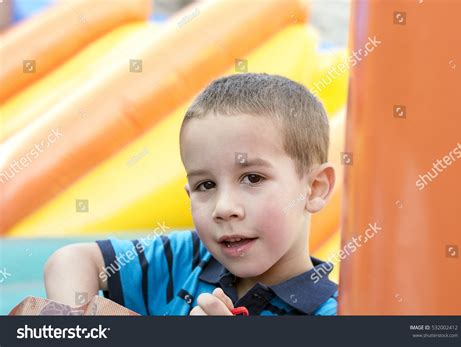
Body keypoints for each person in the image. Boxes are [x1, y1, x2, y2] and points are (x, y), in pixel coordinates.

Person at [44, 73, 338, 316]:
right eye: (206, 185)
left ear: (314, 188)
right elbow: (71, 260)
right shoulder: (186, 259)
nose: (223, 208)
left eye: (252, 178)